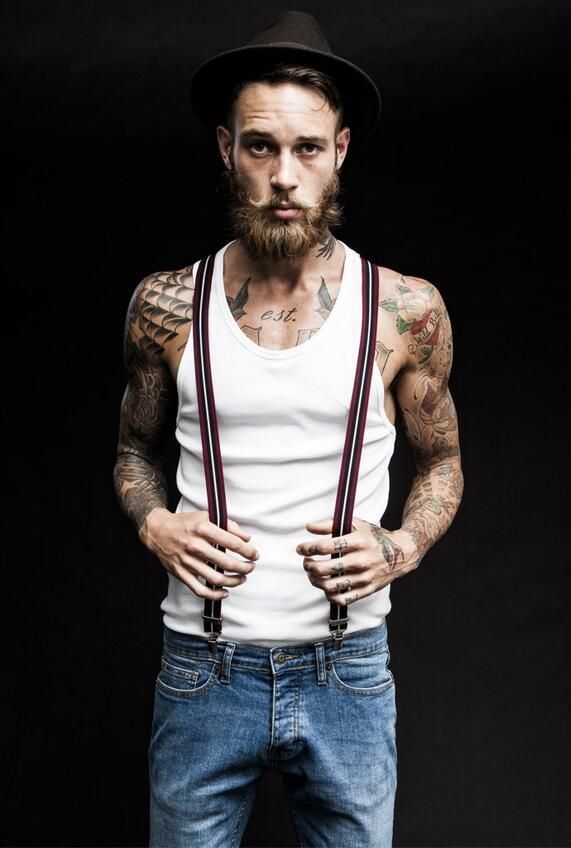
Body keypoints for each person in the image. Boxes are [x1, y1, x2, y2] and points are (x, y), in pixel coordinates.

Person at [113, 10, 464, 848]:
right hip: (201, 668)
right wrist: (155, 523)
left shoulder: (403, 309)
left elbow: (443, 463)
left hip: (347, 671)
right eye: (260, 147)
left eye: (306, 149)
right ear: (225, 149)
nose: (282, 176)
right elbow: (132, 452)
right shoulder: (165, 306)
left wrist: (400, 547)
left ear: (338, 151)